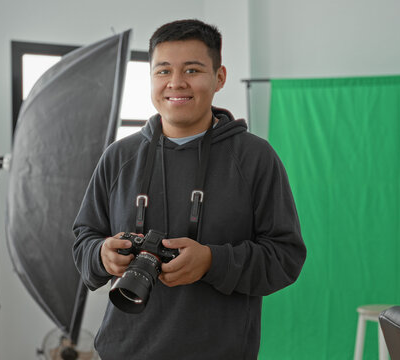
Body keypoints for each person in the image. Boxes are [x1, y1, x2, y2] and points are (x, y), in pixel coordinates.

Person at [73, 19, 306, 360]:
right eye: (163, 71)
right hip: (123, 351)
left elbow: (285, 257)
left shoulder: (255, 158)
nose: (176, 83)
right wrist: (102, 255)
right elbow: (83, 241)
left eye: (192, 70)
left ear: (219, 77)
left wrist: (213, 261)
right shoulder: (119, 157)